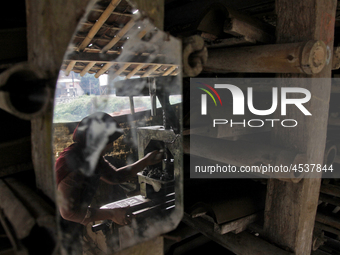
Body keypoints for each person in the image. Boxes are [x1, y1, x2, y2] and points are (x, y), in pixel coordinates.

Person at [55, 112, 163, 226]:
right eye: (109, 142)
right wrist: (111, 214)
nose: (111, 146)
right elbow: (69, 213)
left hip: (78, 216)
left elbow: (115, 177)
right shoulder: (72, 164)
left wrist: (146, 161)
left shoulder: (91, 156)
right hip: (62, 224)